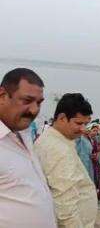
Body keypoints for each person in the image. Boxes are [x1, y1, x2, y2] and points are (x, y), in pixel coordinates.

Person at [0, 68, 57, 228]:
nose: (34, 110)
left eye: (39, 102)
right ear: (3, 96)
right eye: (27, 100)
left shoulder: (23, 133)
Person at [34, 93, 97, 227]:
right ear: (62, 118)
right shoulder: (58, 149)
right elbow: (64, 206)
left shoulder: (55, 140)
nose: (83, 129)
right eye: (78, 123)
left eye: (86, 124)